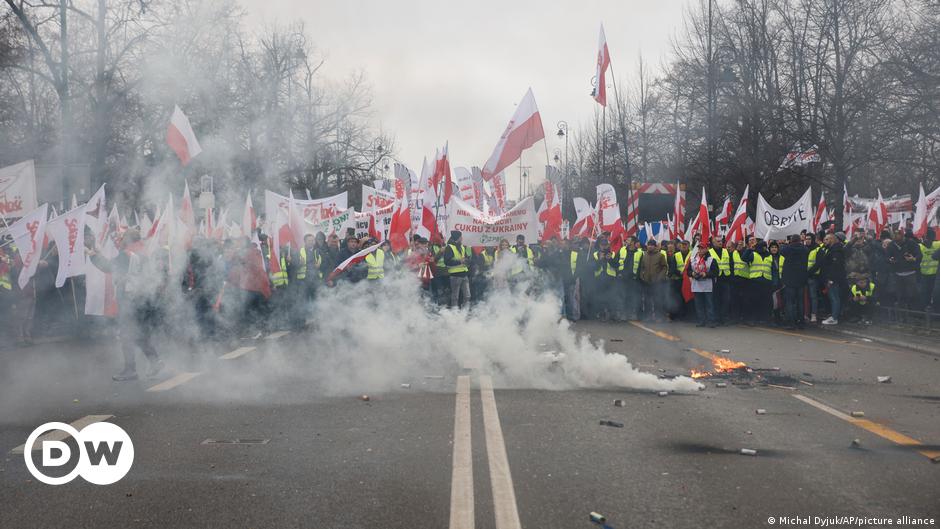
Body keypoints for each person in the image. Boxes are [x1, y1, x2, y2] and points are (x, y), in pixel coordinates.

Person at [89, 230, 166, 381]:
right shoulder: (142, 256)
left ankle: (130, 370)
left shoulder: (126, 255)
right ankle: (155, 361)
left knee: (127, 335)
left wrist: (93, 255)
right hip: (141, 300)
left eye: (123, 238)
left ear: (128, 241)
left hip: (130, 302)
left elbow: (108, 267)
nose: (120, 240)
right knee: (139, 334)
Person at [885, 229, 921, 309]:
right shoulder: (891, 245)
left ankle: (915, 313)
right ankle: (902, 314)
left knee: (912, 294)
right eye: (894, 234)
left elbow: (919, 255)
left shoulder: (911, 243)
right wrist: (890, 260)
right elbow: (886, 257)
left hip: (911, 273)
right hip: (898, 274)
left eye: (897, 234)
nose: (895, 236)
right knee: (900, 295)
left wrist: (913, 259)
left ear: (902, 235)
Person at [779, 235, 809, 329]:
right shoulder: (804, 249)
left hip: (789, 279)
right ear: (800, 240)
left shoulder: (788, 248)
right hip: (801, 279)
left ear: (791, 240)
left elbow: (782, 251)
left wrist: (787, 244)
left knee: (790, 302)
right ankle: (801, 322)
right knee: (800, 302)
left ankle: (791, 322)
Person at [686, 242, 719, 327]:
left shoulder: (711, 259)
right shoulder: (693, 259)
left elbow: (716, 272)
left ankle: (711, 321)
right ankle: (701, 321)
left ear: (706, 249)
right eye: (699, 248)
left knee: (709, 304)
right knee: (698, 304)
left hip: (707, 285)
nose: (700, 250)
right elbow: (688, 271)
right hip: (696, 285)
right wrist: (692, 273)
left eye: (702, 248)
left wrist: (706, 274)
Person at [817, 233, 847, 325]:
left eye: (826, 239)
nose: (824, 241)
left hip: (833, 279)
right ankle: (833, 315)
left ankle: (834, 317)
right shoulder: (832, 249)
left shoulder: (836, 251)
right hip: (831, 278)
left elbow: (835, 267)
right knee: (833, 297)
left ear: (832, 240)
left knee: (834, 298)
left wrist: (831, 279)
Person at [637, 240, 668, 321]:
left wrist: (659, 277)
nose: (650, 246)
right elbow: (641, 267)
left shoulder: (660, 255)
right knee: (647, 300)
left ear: (655, 246)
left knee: (657, 300)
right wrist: (642, 275)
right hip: (646, 281)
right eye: (649, 245)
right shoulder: (644, 255)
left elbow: (664, 267)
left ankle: (658, 316)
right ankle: (648, 316)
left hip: (657, 282)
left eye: (652, 245)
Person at [444, 230, 471, 308]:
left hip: (464, 274)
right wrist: (460, 261)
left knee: (467, 296)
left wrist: (467, 260)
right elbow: (447, 262)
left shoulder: (462, 246)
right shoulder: (449, 247)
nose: (462, 238)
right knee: (455, 297)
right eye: (461, 236)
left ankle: (464, 312)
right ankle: (455, 313)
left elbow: (465, 258)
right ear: (458, 237)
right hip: (455, 275)